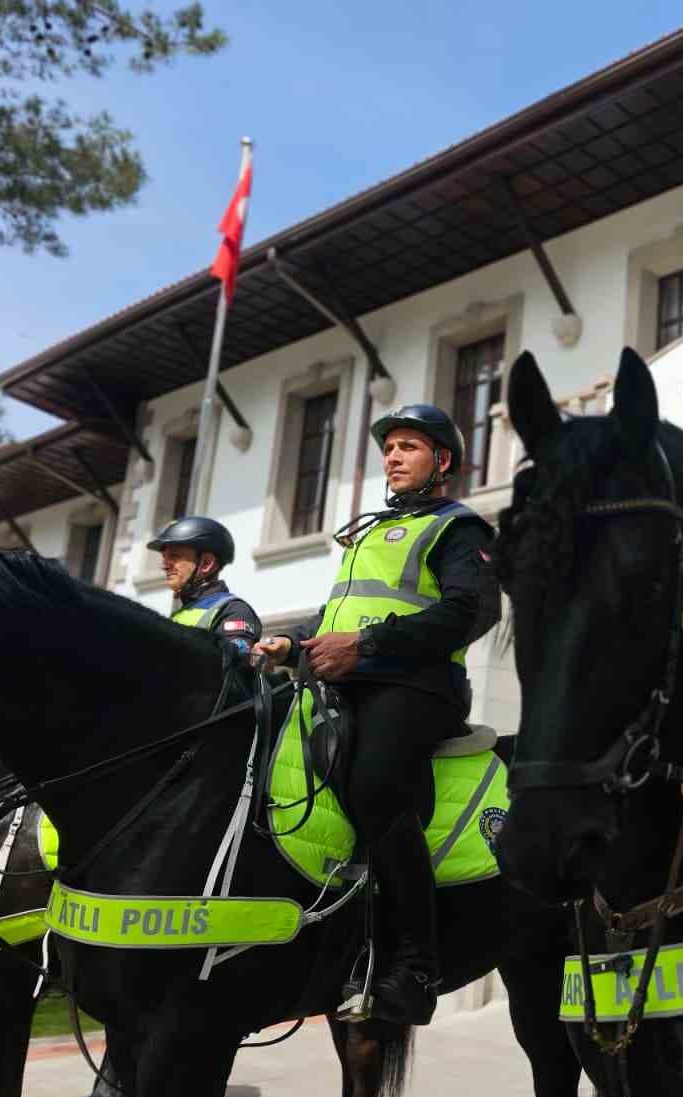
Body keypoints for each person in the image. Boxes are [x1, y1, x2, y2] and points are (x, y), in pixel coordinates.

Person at [252, 404, 498, 1025]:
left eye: (408, 446)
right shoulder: (367, 534)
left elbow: (471, 611)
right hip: (349, 679)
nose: (392, 456)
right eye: (389, 447)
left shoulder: (458, 527)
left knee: (376, 783)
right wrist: (292, 645)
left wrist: (365, 646)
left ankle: (415, 966)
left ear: (442, 461)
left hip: (419, 687)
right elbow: (337, 616)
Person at [147, 516, 261, 656]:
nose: (164, 566)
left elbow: (231, 665)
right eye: (164, 557)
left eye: (174, 556)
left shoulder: (232, 610)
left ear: (206, 563)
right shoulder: (179, 614)